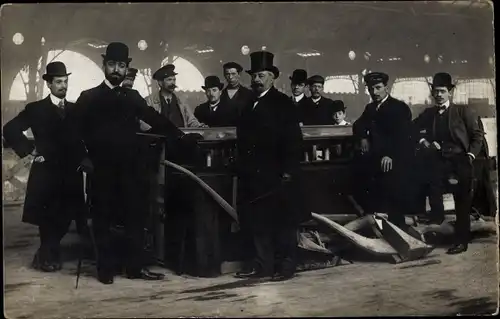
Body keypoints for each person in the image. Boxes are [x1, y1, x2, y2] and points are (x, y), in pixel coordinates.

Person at [67, 42, 202, 284]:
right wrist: (82, 157)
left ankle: (134, 267)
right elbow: (71, 132)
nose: (116, 70)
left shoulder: (133, 96)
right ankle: (105, 269)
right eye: (112, 65)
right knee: (103, 218)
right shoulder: (89, 97)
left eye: (121, 65)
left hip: (131, 168)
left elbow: (155, 119)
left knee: (135, 217)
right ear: (104, 65)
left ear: (126, 67)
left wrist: (180, 136)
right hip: (102, 168)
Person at [3, 61, 86, 272]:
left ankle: (46, 252)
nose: (63, 86)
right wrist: (29, 150)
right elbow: (10, 129)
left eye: (66, 81)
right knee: (47, 217)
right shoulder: (36, 109)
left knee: (67, 216)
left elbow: (84, 137)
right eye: (58, 82)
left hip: (70, 171)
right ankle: (48, 254)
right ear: (49, 84)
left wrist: (83, 158)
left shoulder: (76, 110)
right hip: (47, 171)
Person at [235, 51, 308, 282]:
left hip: (276, 174)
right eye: (254, 75)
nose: (257, 79)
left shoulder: (283, 103)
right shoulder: (249, 105)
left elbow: (294, 140)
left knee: (281, 222)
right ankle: (262, 266)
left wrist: (288, 170)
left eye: (262, 75)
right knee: (258, 222)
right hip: (253, 174)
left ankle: (285, 267)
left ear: (272, 77)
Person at [413, 72, 484, 254]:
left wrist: (470, 155)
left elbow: (477, 136)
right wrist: (424, 142)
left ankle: (461, 241)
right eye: (436, 91)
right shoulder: (429, 114)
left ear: (450, 92)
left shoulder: (462, 111)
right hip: (438, 162)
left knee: (461, 202)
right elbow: (412, 129)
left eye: (442, 91)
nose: (439, 95)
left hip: (460, 161)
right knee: (433, 194)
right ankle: (437, 233)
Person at [352, 72, 413, 228]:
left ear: (387, 87)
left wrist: (390, 155)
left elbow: (403, 137)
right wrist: (363, 138)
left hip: (394, 161)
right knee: (375, 199)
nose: (375, 92)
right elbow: (358, 125)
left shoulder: (399, 108)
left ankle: (399, 232)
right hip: (375, 161)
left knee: (392, 199)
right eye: (371, 89)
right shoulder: (370, 108)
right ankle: (380, 232)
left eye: (378, 88)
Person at [145, 64, 205, 128]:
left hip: (180, 136)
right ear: (160, 83)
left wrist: (199, 126)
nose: (173, 83)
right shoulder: (150, 102)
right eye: (169, 80)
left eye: (174, 80)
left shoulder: (181, 101)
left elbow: (191, 121)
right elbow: (146, 123)